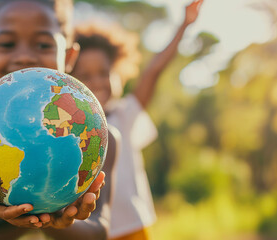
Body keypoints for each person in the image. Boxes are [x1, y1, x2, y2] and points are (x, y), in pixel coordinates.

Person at [0, 0, 119, 239]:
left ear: (68, 57)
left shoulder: (96, 137)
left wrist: (57, 220)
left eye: (43, 44)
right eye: (7, 44)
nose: (24, 56)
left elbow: (99, 232)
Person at [70, 0, 204, 239]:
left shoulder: (125, 114)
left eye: (104, 73)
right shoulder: (64, 127)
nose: (97, 82)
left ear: (118, 74)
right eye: (85, 76)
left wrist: (184, 25)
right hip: (84, 231)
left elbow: (153, 70)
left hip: (132, 227)